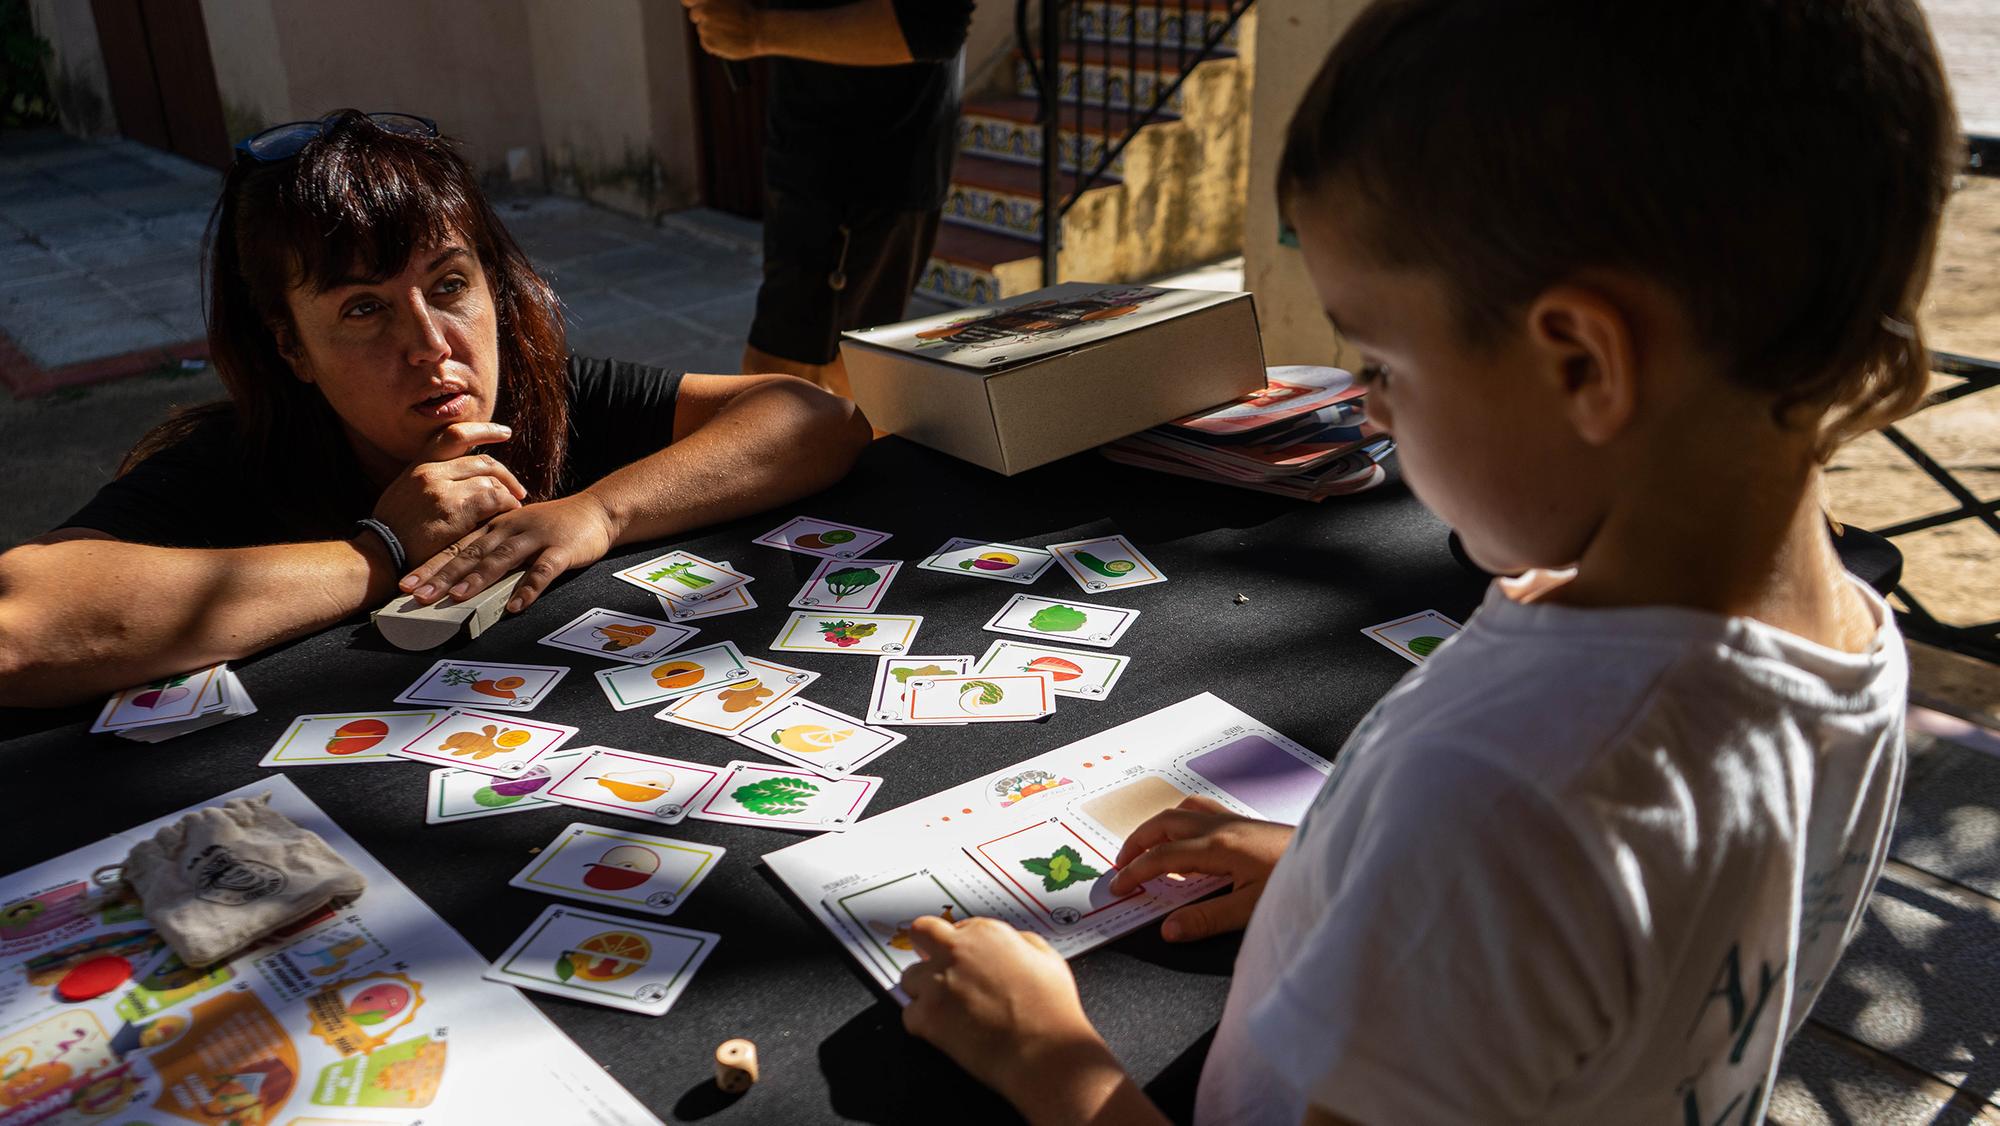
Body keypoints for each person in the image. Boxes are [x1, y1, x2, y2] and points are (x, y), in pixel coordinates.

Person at [893, 1, 1958, 1122]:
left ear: (1582, 362)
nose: (1361, 402)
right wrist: (1338, 871)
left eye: (1380, 361)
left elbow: (1523, 860)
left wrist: (1047, 1057)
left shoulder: (1493, 805)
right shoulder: (1845, 635)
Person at [0, 111, 871, 708]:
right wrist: (376, 552)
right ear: (290, 349)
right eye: (363, 309)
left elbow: (812, 418)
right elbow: (21, 626)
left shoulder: (549, 394)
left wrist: (597, 512)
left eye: (450, 285)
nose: (431, 345)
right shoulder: (231, 465)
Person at [683, 0, 974, 398]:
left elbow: (931, 25)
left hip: (865, 165)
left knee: (787, 389)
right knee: (811, 385)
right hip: (808, 154)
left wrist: (757, 32)